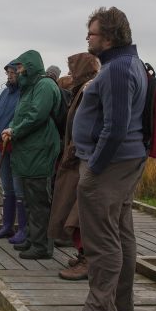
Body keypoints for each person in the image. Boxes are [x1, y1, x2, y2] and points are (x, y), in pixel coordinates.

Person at [63, 7, 147, 311]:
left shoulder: (116, 70)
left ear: (109, 36)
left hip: (109, 165)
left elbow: (115, 127)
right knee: (121, 231)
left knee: (101, 238)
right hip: (124, 162)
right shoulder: (128, 64)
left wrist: (94, 167)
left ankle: (100, 310)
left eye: (92, 33)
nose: (87, 38)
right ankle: (120, 300)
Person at [1, 50, 61, 260]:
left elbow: (37, 115)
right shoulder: (29, 87)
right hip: (28, 152)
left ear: (31, 65)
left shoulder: (44, 85)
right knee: (28, 199)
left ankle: (42, 245)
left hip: (39, 150)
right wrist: (12, 127)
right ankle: (32, 238)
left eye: (20, 67)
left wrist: (15, 130)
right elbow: (24, 114)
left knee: (39, 201)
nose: (18, 71)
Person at [48, 52, 100, 281]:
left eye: (72, 70)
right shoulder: (82, 89)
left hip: (84, 159)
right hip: (76, 156)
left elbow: (91, 125)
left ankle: (88, 259)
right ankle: (82, 254)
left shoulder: (90, 89)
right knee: (71, 207)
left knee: (81, 212)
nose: (70, 75)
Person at [0, 61, 27, 244]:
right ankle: (7, 226)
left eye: (13, 72)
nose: (10, 76)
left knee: (19, 188)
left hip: (16, 146)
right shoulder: (5, 93)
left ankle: (23, 229)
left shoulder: (25, 93)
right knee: (7, 187)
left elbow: (21, 117)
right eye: (8, 73)